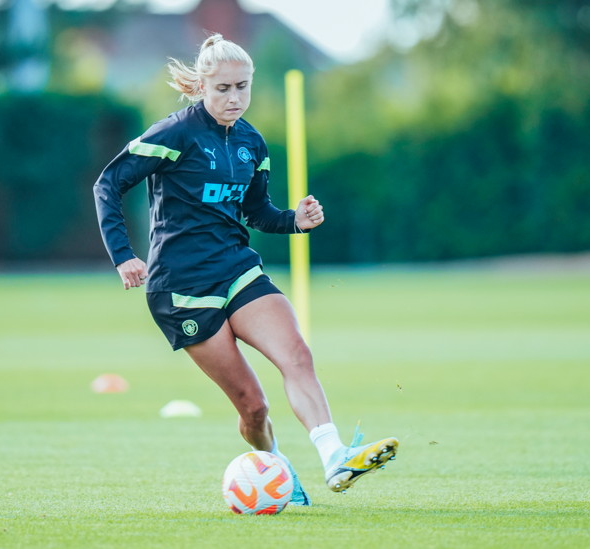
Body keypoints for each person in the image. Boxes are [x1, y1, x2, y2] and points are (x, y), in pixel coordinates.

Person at [93, 34, 397, 505]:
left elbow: (256, 212)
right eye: (223, 89)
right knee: (253, 408)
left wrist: (295, 220)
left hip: (238, 270)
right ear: (201, 87)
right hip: (182, 289)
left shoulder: (253, 143)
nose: (234, 98)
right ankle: (277, 467)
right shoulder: (174, 134)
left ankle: (335, 455)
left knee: (296, 354)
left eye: (243, 87)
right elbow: (108, 183)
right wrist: (123, 255)